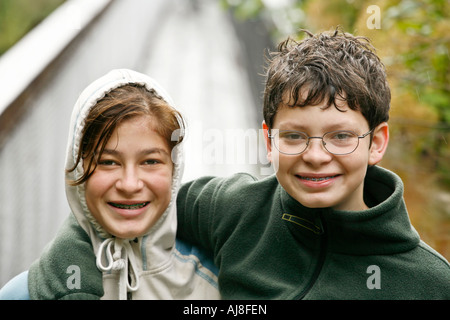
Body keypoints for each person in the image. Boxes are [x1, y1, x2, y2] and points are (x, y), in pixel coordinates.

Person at [175, 29, 450, 299]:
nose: (316, 156)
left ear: (376, 143)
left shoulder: (430, 284)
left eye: (341, 136)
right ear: (269, 143)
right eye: (294, 136)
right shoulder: (232, 208)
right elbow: (148, 200)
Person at [0, 69, 220, 300]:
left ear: (175, 171)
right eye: (108, 162)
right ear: (78, 167)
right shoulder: (28, 294)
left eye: (150, 161)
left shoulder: (218, 279)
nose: (129, 184)